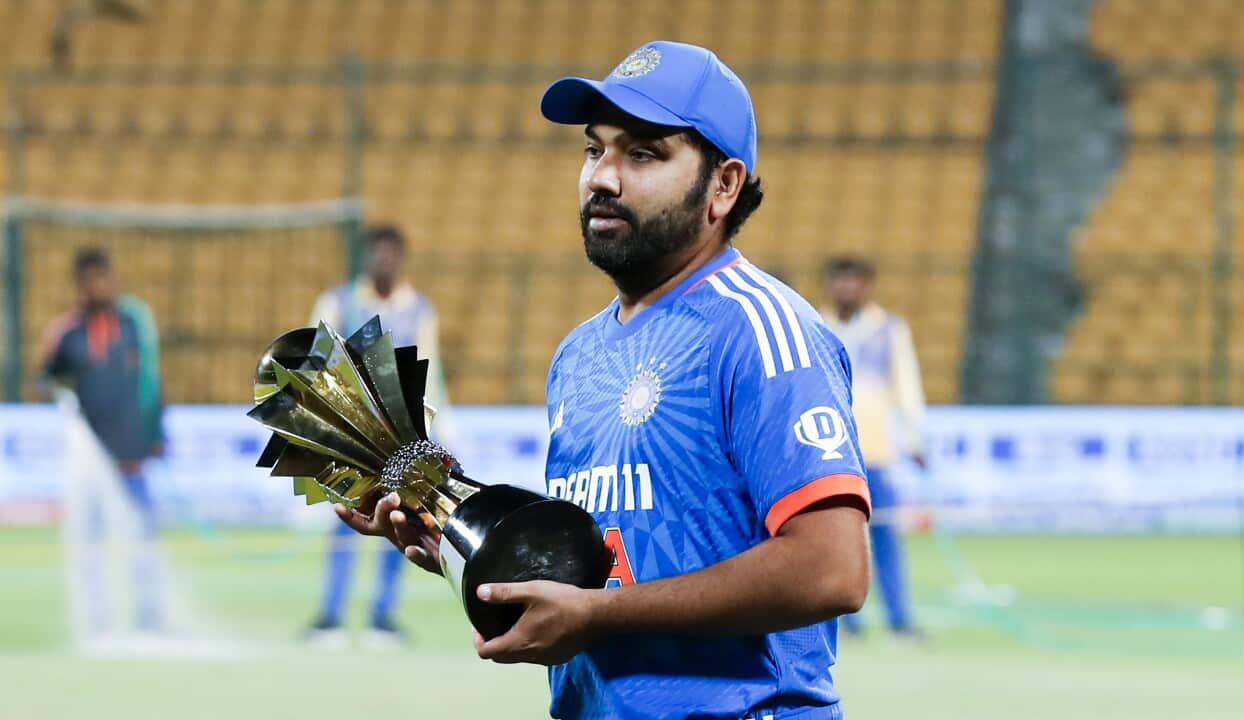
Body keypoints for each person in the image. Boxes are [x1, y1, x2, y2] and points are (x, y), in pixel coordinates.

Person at [338, 41, 873, 719]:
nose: (603, 178)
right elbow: (608, 567)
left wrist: (600, 613)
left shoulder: (761, 331)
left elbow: (831, 569)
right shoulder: (579, 354)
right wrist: (458, 541)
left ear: (724, 185)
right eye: (595, 149)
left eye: (644, 154)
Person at [305, 224, 452, 648]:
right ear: (366, 258)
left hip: (403, 441)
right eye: (377, 254)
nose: (384, 261)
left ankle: (381, 619)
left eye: (392, 254)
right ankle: (330, 618)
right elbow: (315, 365)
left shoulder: (419, 309)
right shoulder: (338, 302)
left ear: (401, 258)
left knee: (399, 523)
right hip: (353, 437)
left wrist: (434, 431)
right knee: (343, 525)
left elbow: (431, 371)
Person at [41, 247, 166, 635]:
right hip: (91, 466)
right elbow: (46, 378)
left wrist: (156, 432)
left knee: (143, 541)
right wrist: (57, 391)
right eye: (94, 279)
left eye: (106, 277)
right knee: (91, 544)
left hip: (131, 457)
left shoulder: (133, 324)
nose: (103, 285)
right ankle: (98, 621)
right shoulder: (67, 333)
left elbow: (151, 381)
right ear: (81, 285)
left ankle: (150, 619)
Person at [822, 257, 926, 637]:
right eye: (840, 281)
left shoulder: (889, 330)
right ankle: (847, 623)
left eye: (855, 281)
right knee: (836, 542)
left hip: (876, 454)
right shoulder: (814, 324)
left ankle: (899, 619)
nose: (847, 289)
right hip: (829, 457)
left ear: (868, 285)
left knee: (885, 538)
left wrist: (915, 439)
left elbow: (907, 387)